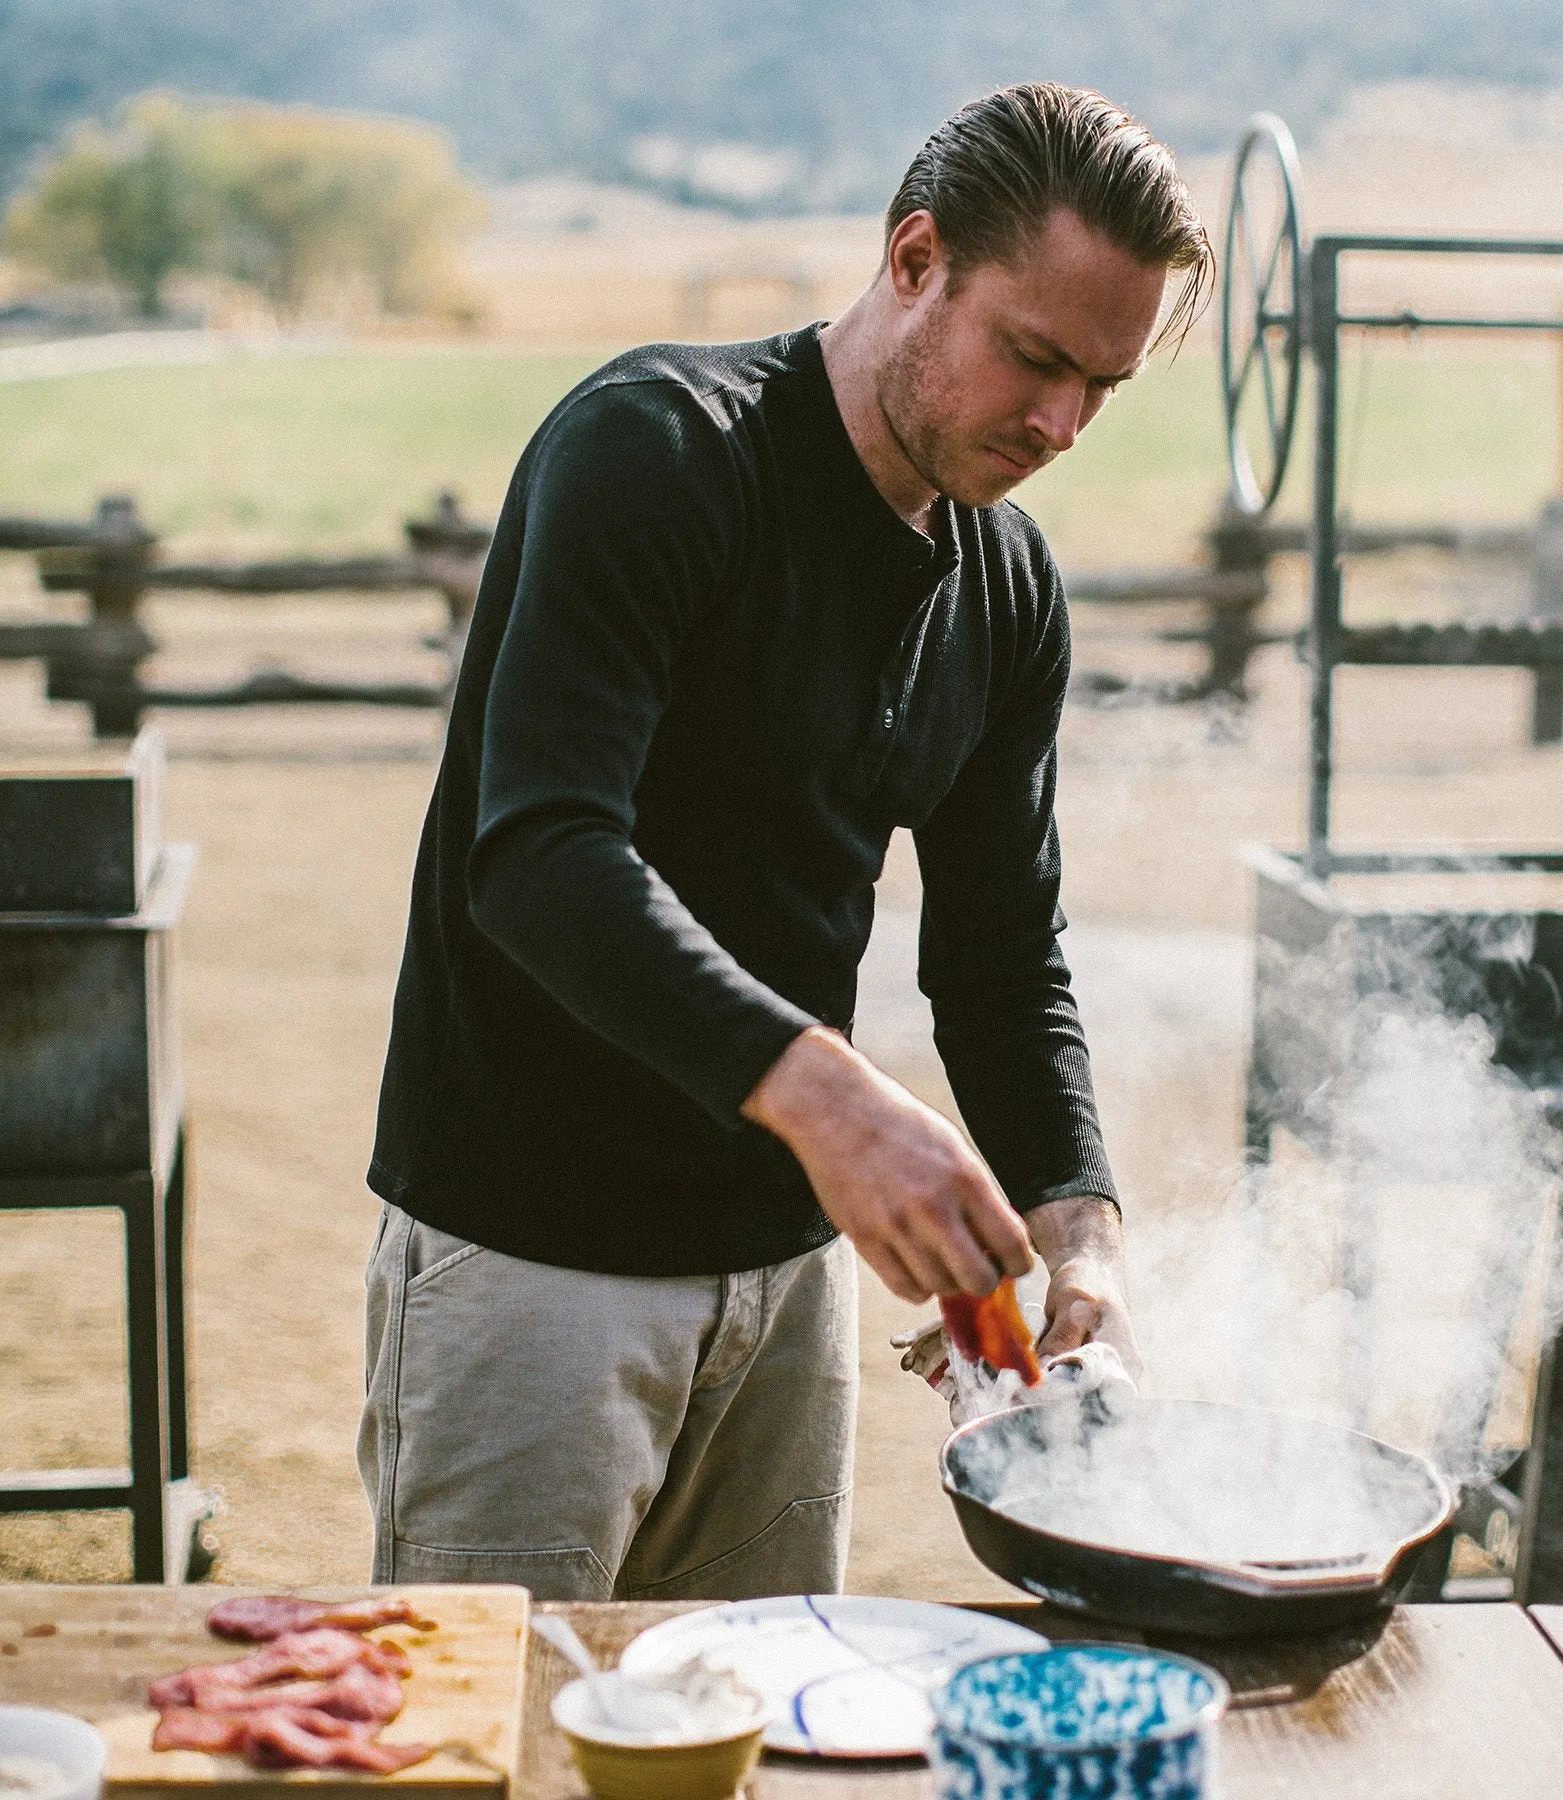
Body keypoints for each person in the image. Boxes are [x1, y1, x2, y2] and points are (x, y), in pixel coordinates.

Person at [358, 81, 1211, 1602]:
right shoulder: (656, 454)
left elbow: (1007, 960)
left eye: (1106, 387)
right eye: (1035, 356)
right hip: (534, 1259)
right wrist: (832, 1100)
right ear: (913, 257)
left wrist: (1084, 1234)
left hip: (787, 1284)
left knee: (748, 1743)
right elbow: (539, 853)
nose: (1062, 424)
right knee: (503, 1747)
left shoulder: (1006, 591)